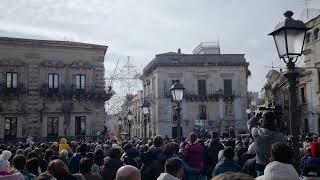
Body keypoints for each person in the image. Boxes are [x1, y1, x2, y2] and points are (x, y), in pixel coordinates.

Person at [247, 111, 286, 176]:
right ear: (274, 121)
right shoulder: (281, 137)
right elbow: (282, 128)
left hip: (261, 167)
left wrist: (256, 117)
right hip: (276, 167)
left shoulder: (257, 133)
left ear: (263, 121)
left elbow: (250, 124)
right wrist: (279, 119)